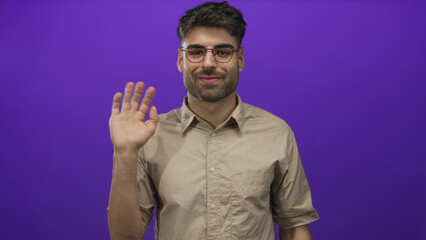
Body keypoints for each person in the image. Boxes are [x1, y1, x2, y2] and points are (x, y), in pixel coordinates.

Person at [107, 2, 319, 239]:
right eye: (196, 52)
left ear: (240, 59)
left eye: (222, 52)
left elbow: (295, 226)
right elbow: (124, 236)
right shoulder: (152, 136)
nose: (208, 63)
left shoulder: (277, 133)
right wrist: (125, 154)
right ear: (180, 60)